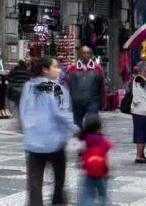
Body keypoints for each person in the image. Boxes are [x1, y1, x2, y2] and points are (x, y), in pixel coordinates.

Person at [20, 56, 74, 206]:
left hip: (33, 142)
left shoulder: (28, 87)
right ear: (45, 70)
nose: (59, 70)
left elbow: (23, 112)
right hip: (54, 141)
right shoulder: (57, 88)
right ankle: (58, 202)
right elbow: (61, 113)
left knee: (35, 183)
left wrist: (30, 130)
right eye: (55, 67)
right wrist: (76, 128)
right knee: (59, 180)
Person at [64, 47, 105, 128]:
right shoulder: (72, 68)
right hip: (77, 101)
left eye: (88, 53)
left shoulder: (98, 68)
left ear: (91, 55)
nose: (86, 55)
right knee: (78, 124)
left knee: (92, 122)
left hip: (93, 101)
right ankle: (80, 138)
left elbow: (102, 86)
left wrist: (103, 102)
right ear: (79, 55)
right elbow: (68, 85)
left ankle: (91, 138)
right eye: (84, 53)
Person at [78, 112, 113, 206]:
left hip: (88, 171)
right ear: (99, 126)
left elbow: (80, 153)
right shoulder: (102, 140)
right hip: (102, 172)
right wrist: (109, 169)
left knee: (88, 193)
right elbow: (108, 153)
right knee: (103, 194)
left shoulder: (85, 140)